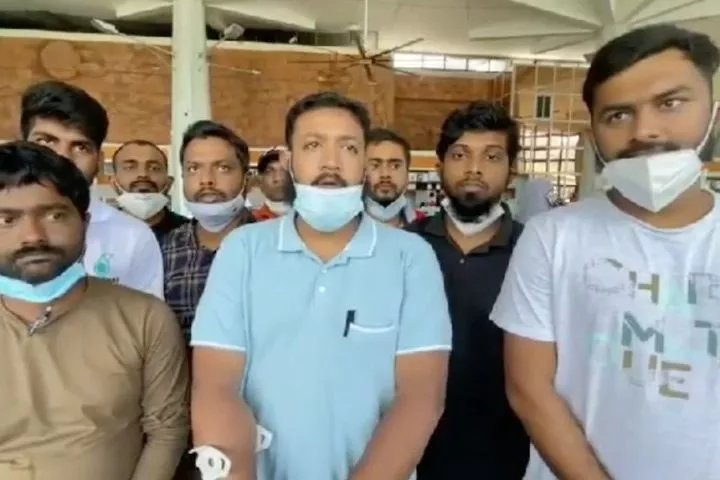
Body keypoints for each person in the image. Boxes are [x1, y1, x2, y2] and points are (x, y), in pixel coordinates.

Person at [491, 24, 720, 480]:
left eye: (670, 103)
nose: (645, 130)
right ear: (593, 132)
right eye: (618, 115)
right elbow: (529, 388)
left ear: (713, 114)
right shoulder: (552, 237)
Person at [189, 92, 451, 480]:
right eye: (313, 145)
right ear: (289, 161)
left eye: (348, 147)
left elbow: (420, 398)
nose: (331, 162)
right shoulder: (243, 250)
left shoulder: (410, 257)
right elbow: (216, 385)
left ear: (364, 162)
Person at [0, 141, 189, 480]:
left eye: (55, 215)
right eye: (7, 219)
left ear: (85, 223)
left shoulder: (145, 319)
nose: (33, 236)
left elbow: (166, 431)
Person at [407, 101, 528, 479]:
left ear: (511, 171)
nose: (474, 168)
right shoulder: (405, 247)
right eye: (460, 155)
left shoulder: (533, 252)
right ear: (440, 165)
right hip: (408, 446)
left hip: (502, 453)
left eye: (492, 156)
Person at [20, 80, 164, 298]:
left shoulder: (133, 236)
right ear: (22, 148)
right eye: (47, 142)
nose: (62, 158)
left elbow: (145, 318)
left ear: (98, 161)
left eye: (80, 147)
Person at [162, 120, 255, 342]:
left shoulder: (273, 244)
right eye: (194, 169)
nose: (207, 181)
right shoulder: (165, 248)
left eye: (223, 168)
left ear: (247, 179)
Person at [111, 139, 188, 239]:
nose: (143, 174)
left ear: (169, 182)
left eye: (154, 168)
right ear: (113, 182)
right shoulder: (97, 232)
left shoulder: (192, 234)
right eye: (130, 167)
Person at [364, 128, 425, 227]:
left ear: (407, 175)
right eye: (375, 165)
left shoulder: (426, 229)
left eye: (395, 166)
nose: (385, 174)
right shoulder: (343, 228)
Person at [252, 147, 291, 221]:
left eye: (285, 170)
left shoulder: (311, 219)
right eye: (269, 171)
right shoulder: (250, 222)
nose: (278, 178)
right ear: (260, 181)